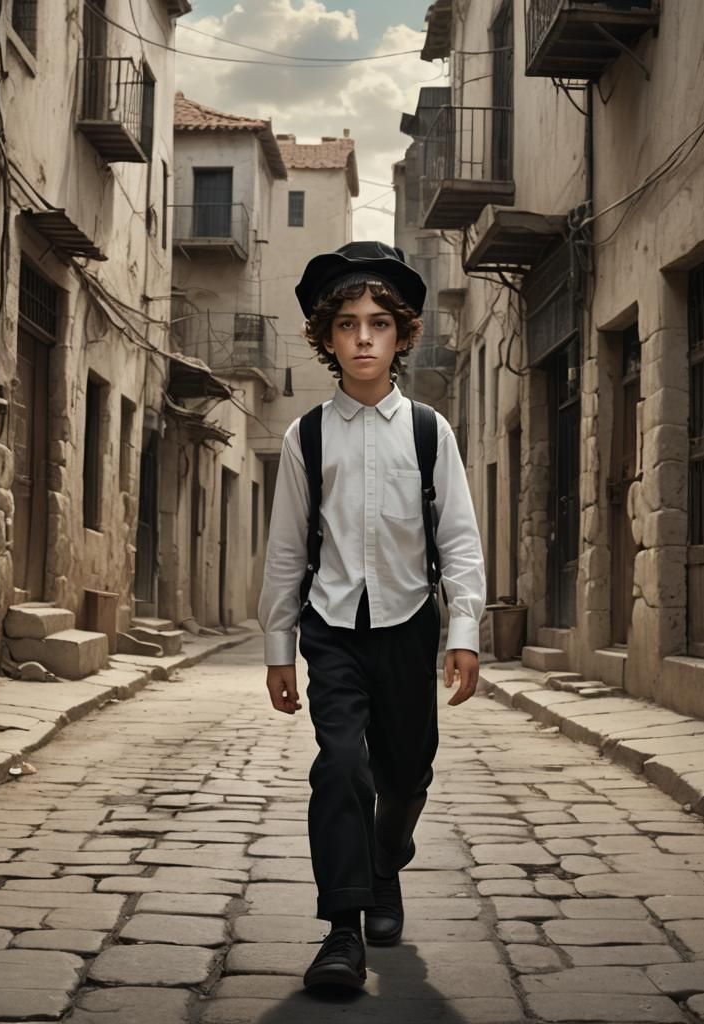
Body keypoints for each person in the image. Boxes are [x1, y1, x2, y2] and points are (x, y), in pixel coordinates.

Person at [258, 241, 487, 989]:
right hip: (332, 629)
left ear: (402, 335)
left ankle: (388, 858)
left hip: (409, 622)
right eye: (348, 323)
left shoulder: (428, 431)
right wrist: (278, 646)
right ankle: (341, 931)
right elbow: (288, 549)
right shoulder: (306, 436)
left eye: (378, 323)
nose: (363, 337)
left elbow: (458, 539)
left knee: (407, 773)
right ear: (327, 337)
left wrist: (462, 633)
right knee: (343, 766)